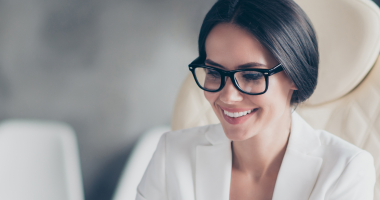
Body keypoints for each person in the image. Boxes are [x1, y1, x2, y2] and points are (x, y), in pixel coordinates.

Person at [136, 0, 376, 199]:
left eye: (251, 75)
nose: (228, 96)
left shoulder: (346, 169)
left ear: (295, 74)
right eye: (214, 72)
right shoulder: (172, 153)